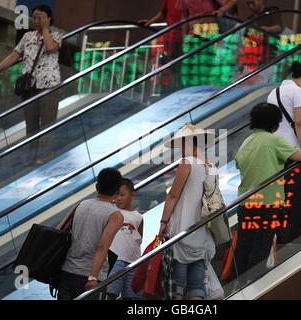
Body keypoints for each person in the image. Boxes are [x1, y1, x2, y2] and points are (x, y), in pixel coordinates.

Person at [234, 103, 301, 279]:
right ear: (274, 123)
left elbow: (238, 164)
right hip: (267, 203)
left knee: (243, 245)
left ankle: (236, 285)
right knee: (262, 244)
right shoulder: (273, 140)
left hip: (245, 203)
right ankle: (253, 283)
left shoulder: (246, 142)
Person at [0, 5, 62, 137]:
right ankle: (31, 157)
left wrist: (45, 29)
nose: (36, 21)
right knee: (31, 128)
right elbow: (14, 55)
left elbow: (50, 47)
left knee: (47, 126)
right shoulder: (27, 36)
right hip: (29, 86)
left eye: (40, 18)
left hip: (49, 86)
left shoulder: (56, 36)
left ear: (48, 18)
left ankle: (45, 157)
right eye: (34, 18)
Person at [158, 123, 215, 300]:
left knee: (178, 288)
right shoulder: (210, 166)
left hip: (181, 232)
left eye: (182, 143)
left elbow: (173, 196)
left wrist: (163, 222)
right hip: (201, 233)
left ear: (188, 142)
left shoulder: (187, 163)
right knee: (197, 286)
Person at [266, 61, 301, 242]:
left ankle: (278, 235)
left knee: (280, 196)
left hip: (274, 151)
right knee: (296, 197)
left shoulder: (273, 92)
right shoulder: (297, 92)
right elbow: (299, 122)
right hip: (291, 152)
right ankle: (293, 238)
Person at [57, 168, 124, 300]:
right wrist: (93, 276)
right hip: (90, 277)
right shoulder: (115, 215)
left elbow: (59, 231)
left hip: (67, 272)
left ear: (97, 186)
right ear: (117, 191)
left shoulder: (80, 205)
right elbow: (102, 246)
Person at [106, 178, 144, 300]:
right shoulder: (112, 211)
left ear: (132, 194)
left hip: (134, 262)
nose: (118, 198)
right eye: (116, 195)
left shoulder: (138, 217)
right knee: (110, 293)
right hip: (115, 261)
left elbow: (139, 238)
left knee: (132, 296)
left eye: (122, 194)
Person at [139, 1, 183, 90]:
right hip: (171, 37)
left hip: (184, 36)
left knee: (181, 65)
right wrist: (151, 21)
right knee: (171, 65)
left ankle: (180, 89)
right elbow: (163, 13)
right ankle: (172, 90)